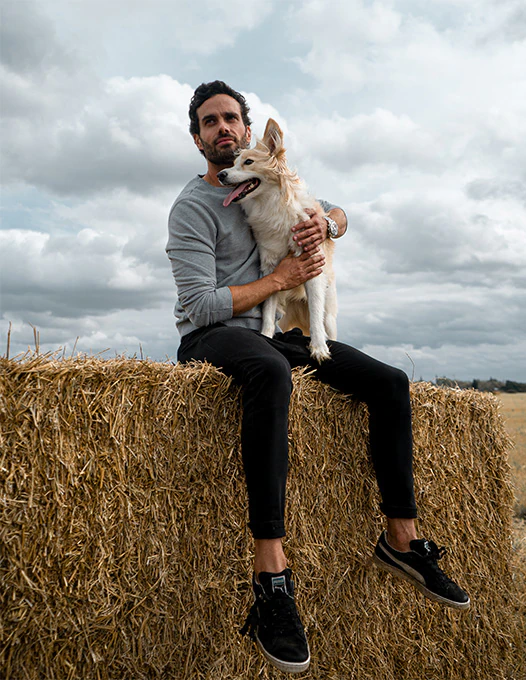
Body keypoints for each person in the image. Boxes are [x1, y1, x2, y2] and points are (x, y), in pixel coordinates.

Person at [166, 80, 470, 674]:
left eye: (231, 119)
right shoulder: (191, 208)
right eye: (209, 122)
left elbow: (340, 212)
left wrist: (327, 226)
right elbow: (197, 306)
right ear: (197, 137)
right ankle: (272, 576)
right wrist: (279, 280)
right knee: (272, 369)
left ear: (249, 133)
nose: (222, 128)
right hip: (217, 334)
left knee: (388, 383)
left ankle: (401, 539)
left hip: (282, 330)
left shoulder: (271, 179)